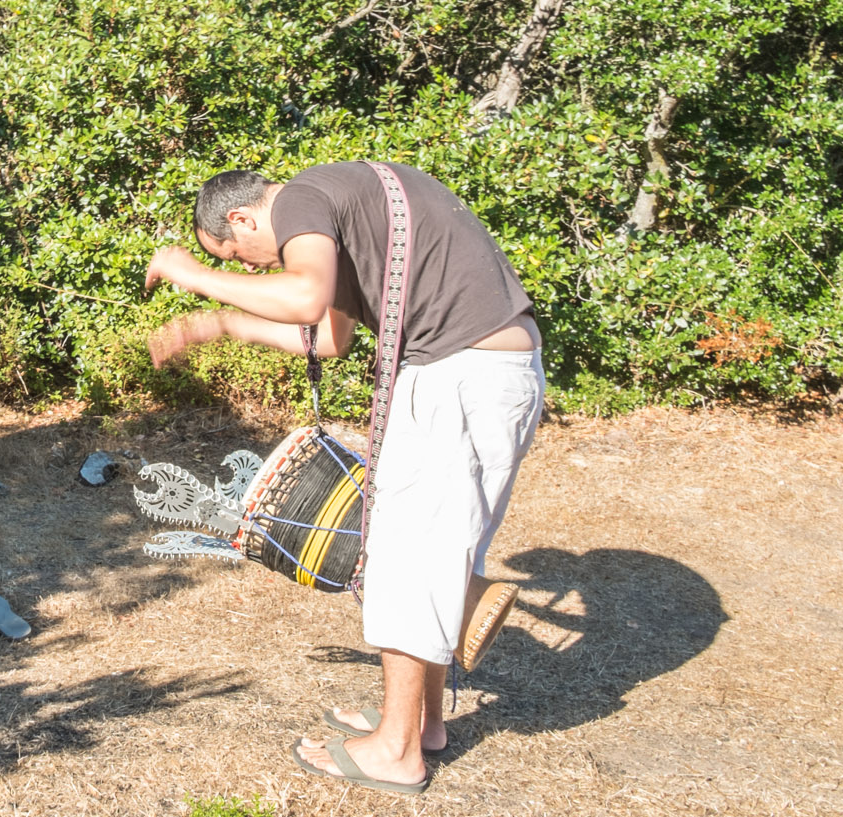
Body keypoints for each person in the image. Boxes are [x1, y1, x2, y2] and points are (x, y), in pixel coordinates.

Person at [145, 163, 545, 793]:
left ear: (243, 218)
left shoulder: (302, 198)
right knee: (432, 556)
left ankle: (396, 750)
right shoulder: (345, 202)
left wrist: (196, 276)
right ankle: (421, 723)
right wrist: (221, 324)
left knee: (407, 558)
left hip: (458, 376)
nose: (250, 270)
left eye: (238, 255)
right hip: (484, 372)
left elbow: (303, 296)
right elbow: (329, 334)